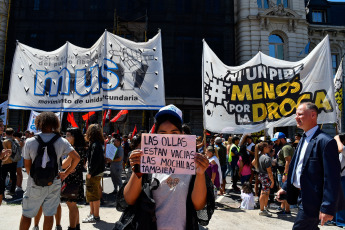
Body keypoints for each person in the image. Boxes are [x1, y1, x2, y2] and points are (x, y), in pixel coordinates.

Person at [115, 104, 215, 229]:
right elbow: (129, 200)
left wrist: (200, 174)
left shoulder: (192, 164)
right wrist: (137, 173)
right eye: (162, 133)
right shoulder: (145, 161)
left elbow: (198, 206)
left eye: (174, 133)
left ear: (182, 135)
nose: (168, 138)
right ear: (155, 136)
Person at [277, 102, 345, 229]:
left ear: (313, 115)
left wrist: (327, 208)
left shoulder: (325, 141)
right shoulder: (303, 138)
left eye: (300, 115)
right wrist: (285, 187)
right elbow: (296, 167)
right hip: (301, 197)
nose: (296, 118)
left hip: (313, 200)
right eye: (296, 115)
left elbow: (332, 177)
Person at [19, 112, 80, 230]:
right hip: (54, 181)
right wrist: (66, 173)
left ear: (39, 123)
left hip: (34, 183)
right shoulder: (62, 141)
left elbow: (27, 166)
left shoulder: (30, 141)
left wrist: (35, 177)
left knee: (27, 214)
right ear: (54, 124)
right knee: (49, 214)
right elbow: (77, 158)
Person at [63, 127, 87, 230]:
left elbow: (64, 165)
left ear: (74, 137)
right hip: (76, 178)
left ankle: (72, 227)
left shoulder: (74, 149)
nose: (66, 138)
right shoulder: (80, 148)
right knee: (73, 205)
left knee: (71, 205)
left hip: (72, 179)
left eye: (68, 135)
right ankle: (76, 226)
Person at [83, 124, 105, 223]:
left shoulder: (95, 144)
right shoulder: (97, 144)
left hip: (94, 174)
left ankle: (95, 216)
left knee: (94, 195)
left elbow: (95, 161)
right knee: (91, 195)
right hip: (95, 173)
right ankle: (92, 214)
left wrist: (90, 172)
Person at [272, 132, 293, 215]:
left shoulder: (286, 148)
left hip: (283, 172)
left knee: (284, 191)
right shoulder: (283, 147)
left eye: (276, 141)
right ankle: (282, 208)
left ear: (282, 139)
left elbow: (288, 161)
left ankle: (287, 210)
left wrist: (285, 174)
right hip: (280, 171)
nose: (275, 142)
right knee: (282, 190)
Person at [253, 141, 274, 217]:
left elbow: (253, 163)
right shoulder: (266, 158)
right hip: (266, 176)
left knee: (265, 192)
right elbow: (269, 172)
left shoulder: (259, 155)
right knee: (264, 192)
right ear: (264, 148)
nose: (269, 148)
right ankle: (262, 210)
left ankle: (264, 208)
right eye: (268, 147)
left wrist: (258, 167)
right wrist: (273, 181)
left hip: (261, 175)